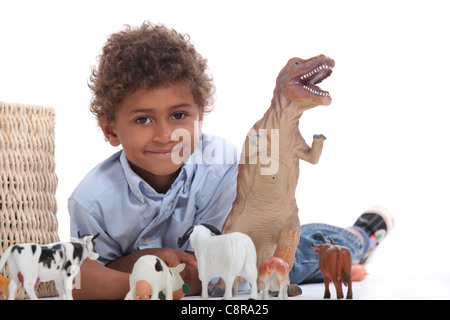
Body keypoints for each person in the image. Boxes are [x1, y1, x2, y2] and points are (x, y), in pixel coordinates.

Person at [68, 21, 394, 299]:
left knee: (310, 249)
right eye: (143, 119)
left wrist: (151, 271)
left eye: (179, 115)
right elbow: (87, 276)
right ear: (111, 129)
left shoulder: (220, 166)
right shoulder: (91, 201)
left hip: (255, 254)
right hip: (224, 268)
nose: (165, 135)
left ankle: (363, 233)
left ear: (200, 116)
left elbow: (221, 262)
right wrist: (151, 262)